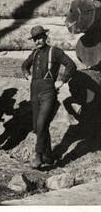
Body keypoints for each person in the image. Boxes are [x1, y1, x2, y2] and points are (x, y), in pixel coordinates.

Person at [22, 25, 76, 169]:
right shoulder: (34, 54)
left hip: (48, 91)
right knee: (38, 125)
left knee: (41, 123)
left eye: (40, 37)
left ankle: (38, 155)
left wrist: (62, 80)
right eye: (35, 39)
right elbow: (24, 66)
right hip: (34, 90)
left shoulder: (55, 51)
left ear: (45, 37)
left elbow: (71, 65)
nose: (37, 41)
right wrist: (27, 76)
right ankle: (49, 155)